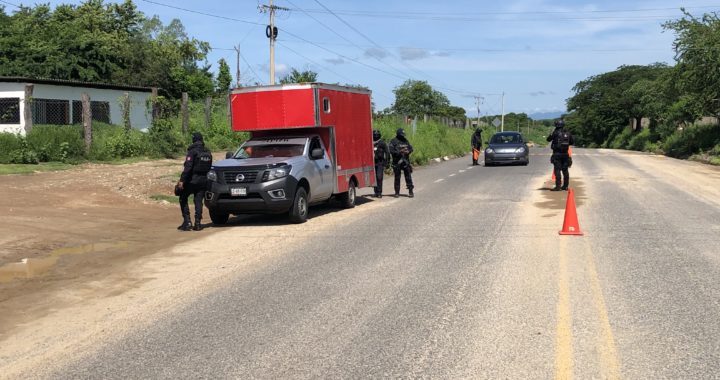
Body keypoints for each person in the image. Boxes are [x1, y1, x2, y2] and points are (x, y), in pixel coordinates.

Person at [177, 132, 213, 231]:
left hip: (192, 180)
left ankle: (187, 222)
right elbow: (209, 167)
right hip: (203, 180)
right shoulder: (208, 152)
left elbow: (188, 167)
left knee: (182, 197)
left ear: (193, 140)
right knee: (198, 201)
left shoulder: (192, 152)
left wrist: (182, 180)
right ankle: (198, 223)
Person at [546, 119, 574, 191]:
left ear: (556, 125)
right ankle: (565, 186)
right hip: (565, 154)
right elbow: (571, 142)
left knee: (557, 170)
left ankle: (558, 186)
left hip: (557, 153)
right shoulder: (567, 133)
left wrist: (551, 134)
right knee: (565, 170)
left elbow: (548, 139)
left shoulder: (555, 132)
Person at [389, 128, 414, 198]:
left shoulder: (405, 140)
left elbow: (411, 148)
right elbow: (391, 151)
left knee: (408, 177)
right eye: (401, 135)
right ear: (398, 134)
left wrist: (408, 151)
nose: (403, 136)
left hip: (405, 162)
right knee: (397, 178)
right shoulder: (393, 141)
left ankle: (410, 191)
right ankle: (397, 192)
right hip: (397, 162)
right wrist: (399, 152)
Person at [372, 129, 390, 198]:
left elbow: (387, 152)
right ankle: (375, 192)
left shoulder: (382, 143)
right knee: (374, 178)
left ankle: (379, 192)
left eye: (377, 135)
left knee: (379, 177)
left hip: (380, 162)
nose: (375, 136)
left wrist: (387, 162)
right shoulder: (370, 142)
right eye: (374, 135)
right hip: (372, 163)